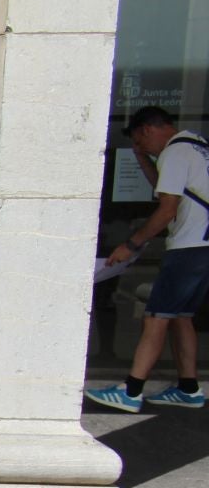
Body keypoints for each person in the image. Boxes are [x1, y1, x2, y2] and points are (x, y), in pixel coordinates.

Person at [88, 105, 209, 411]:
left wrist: (131, 244)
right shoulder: (198, 146)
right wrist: (143, 160)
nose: (142, 148)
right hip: (204, 247)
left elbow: (167, 209)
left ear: (147, 129)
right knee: (181, 316)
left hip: (188, 247)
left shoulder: (174, 153)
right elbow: (166, 189)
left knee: (156, 316)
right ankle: (189, 388)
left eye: (140, 142)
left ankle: (131, 391)